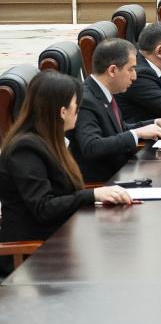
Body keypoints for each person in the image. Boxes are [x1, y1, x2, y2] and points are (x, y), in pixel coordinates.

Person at [0, 72, 134, 275]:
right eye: (76, 106)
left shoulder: (51, 140)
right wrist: (93, 194)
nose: (78, 112)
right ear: (62, 112)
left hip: (60, 236)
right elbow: (43, 207)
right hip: (30, 254)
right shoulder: (25, 148)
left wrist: (96, 195)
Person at [68, 39, 161, 182]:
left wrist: (155, 123)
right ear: (112, 70)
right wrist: (136, 134)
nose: (134, 76)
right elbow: (92, 146)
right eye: (131, 69)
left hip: (122, 172)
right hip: (104, 183)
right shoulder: (86, 100)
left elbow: (119, 130)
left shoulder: (103, 92)